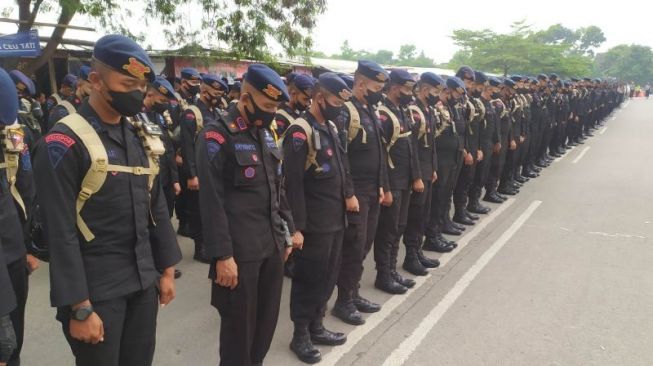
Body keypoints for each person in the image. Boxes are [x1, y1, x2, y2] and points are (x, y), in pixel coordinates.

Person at [33, 34, 181, 366]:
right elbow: (61, 230)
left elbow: (154, 204)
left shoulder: (139, 136)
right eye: (127, 82)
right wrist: (80, 305)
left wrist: (167, 268)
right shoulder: (64, 141)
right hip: (97, 290)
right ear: (96, 80)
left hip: (143, 283)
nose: (137, 93)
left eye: (141, 85)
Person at [196, 63, 297, 366]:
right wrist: (222, 255)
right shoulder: (216, 136)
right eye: (267, 106)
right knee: (238, 336)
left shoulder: (266, 134)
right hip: (239, 255)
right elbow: (211, 203)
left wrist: (287, 231)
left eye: (276, 107)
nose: (272, 113)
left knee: (264, 329)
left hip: (271, 247)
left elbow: (276, 187)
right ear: (245, 98)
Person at [283, 72, 351, 364]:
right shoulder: (299, 131)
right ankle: (300, 334)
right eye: (336, 101)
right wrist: (296, 227)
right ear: (320, 98)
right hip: (313, 223)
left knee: (328, 276)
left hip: (335, 218)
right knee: (308, 279)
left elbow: (341, 166)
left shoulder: (331, 126)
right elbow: (292, 184)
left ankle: (317, 325)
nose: (339, 107)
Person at [332, 60, 388, 326]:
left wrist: (381, 185)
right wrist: (349, 192)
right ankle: (343, 302)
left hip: (371, 190)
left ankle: (353, 293)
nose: (380, 91)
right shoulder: (346, 111)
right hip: (356, 193)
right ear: (361, 82)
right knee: (354, 247)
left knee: (364, 244)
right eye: (377, 86)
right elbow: (340, 156)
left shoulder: (369, 109)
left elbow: (379, 151)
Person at [374, 69, 422, 294]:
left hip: (404, 180)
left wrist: (415, 176)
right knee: (388, 230)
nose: (410, 94)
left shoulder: (402, 111)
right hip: (392, 181)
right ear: (394, 89)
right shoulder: (383, 114)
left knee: (399, 227)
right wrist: (386, 187)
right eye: (407, 89)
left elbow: (410, 148)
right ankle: (383, 274)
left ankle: (392, 270)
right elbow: (381, 155)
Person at [179, 74, 225, 263]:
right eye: (216, 91)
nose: (219, 95)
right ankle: (200, 248)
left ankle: (211, 244)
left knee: (212, 209)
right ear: (204, 90)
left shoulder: (216, 113)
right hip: (197, 171)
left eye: (221, 92)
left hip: (214, 170)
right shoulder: (192, 113)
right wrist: (192, 175)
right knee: (198, 211)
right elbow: (187, 146)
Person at [401, 72, 443, 276]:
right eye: (436, 90)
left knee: (423, 214)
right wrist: (416, 176)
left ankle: (417, 252)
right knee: (415, 216)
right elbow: (413, 148)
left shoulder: (428, 110)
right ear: (425, 89)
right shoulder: (414, 111)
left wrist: (433, 168)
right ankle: (410, 256)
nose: (438, 94)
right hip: (418, 172)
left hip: (428, 170)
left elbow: (431, 144)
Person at [47, 66, 93, 131]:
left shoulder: (91, 108)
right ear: (79, 84)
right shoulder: (64, 109)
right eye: (91, 88)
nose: (94, 93)